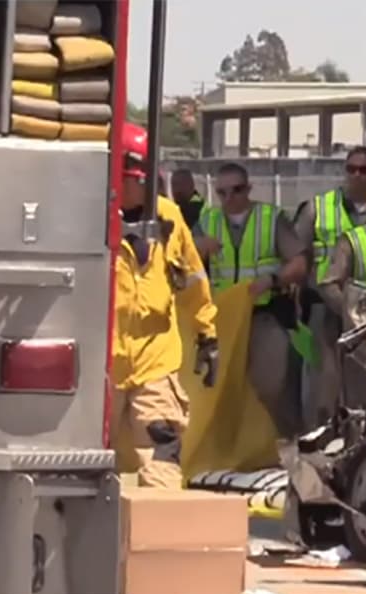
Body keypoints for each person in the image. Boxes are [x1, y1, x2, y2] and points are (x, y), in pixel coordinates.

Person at [112, 122, 219, 489]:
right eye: (138, 178)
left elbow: (193, 280)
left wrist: (208, 336)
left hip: (155, 360)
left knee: (162, 453)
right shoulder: (90, 217)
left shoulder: (169, 217)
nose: (147, 185)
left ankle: (156, 538)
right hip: (101, 366)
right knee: (84, 463)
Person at [192, 162, 309, 448]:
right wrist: (198, 248)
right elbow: (181, 262)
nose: (230, 197)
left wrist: (273, 279)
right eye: (222, 192)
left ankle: (289, 446)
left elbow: (300, 262)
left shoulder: (270, 218)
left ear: (249, 189)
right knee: (221, 388)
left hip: (265, 314)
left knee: (271, 385)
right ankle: (226, 451)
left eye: (237, 190)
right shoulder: (208, 221)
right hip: (223, 317)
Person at [294, 146, 366, 429]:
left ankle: (364, 432)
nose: (357, 175)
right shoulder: (318, 208)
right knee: (323, 376)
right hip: (323, 306)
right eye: (351, 169)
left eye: (364, 170)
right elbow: (297, 253)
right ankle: (318, 432)